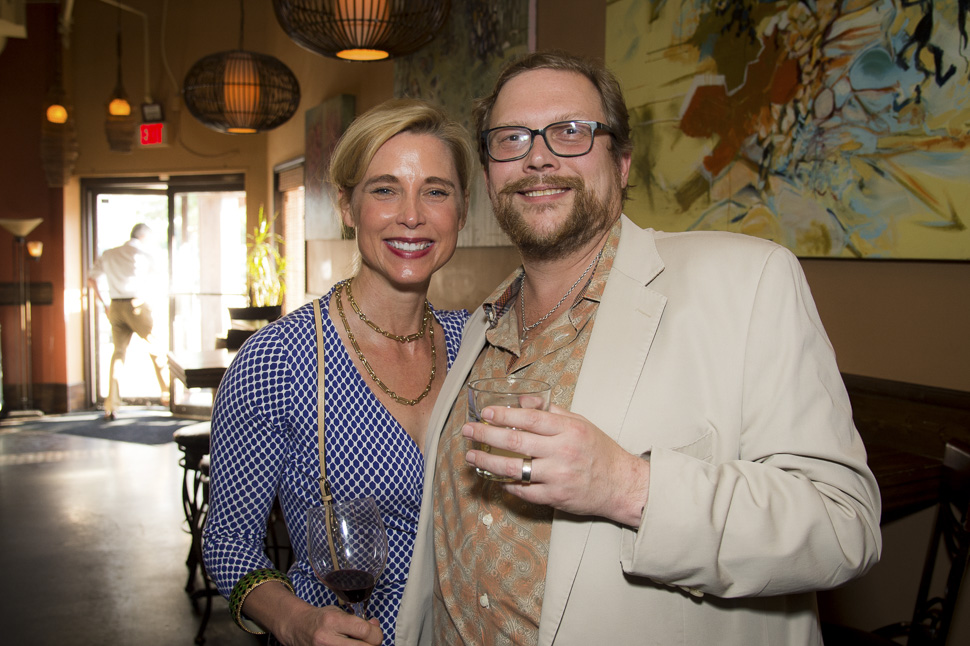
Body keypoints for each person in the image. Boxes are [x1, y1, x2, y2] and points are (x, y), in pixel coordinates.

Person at [395, 51, 882, 645]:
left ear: (622, 163)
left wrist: (625, 484)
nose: (538, 157)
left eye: (570, 132)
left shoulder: (747, 282)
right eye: (511, 138)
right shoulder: (480, 326)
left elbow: (843, 525)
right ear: (491, 174)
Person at [203, 98, 474, 646]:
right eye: (385, 190)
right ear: (348, 207)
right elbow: (228, 542)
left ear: (461, 211)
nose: (412, 215)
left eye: (436, 191)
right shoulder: (280, 359)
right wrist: (294, 621)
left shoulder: (477, 345)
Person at [87, 223, 169, 420]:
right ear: (144, 237)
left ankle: (111, 405)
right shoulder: (144, 253)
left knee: (118, 354)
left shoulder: (109, 254)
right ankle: (168, 395)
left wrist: (104, 303)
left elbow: (91, 279)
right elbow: (160, 279)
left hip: (115, 305)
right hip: (137, 305)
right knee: (156, 349)